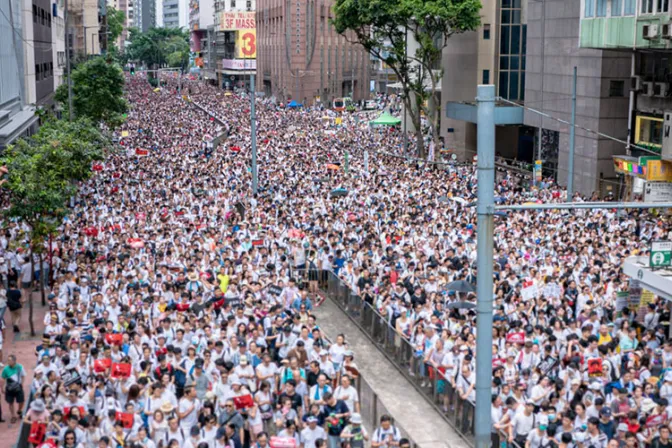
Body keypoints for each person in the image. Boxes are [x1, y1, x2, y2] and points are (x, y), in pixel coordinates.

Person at [1, 354, 25, 423]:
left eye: (10, 360)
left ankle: (19, 410)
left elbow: (23, 376)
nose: (8, 361)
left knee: (21, 401)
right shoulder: (5, 369)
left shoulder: (20, 367)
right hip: (9, 388)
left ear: (14, 361)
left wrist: (22, 383)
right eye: (8, 360)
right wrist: (2, 388)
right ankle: (13, 416)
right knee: (10, 402)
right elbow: (2, 378)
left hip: (18, 387)